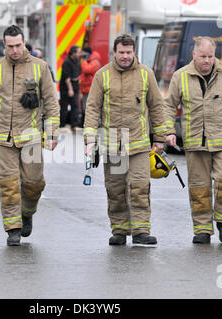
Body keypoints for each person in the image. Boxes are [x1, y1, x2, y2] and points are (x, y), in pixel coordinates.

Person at [164, 36, 222, 244]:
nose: (207, 61)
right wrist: (168, 131)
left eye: (211, 56)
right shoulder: (180, 76)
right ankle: (202, 230)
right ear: (194, 55)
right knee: (199, 188)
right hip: (195, 142)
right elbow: (169, 106)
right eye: (203, 56)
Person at [0, 25, 60, 246]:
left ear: (24, 43)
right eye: (10, 46)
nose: (14, 50)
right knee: (8, 184)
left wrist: (51, 134)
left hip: (31, 138)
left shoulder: (40, 68)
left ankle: (27, 213)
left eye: (18, 45)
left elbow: (51, 103)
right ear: (4, 45)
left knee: (33, 183)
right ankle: (13, 229)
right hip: (4, 138)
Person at [83, 34, 167, 246]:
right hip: (112, 143)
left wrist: (159, 137)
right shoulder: (102, 76)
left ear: (134, 52)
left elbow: (157, 106)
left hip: (139, 143)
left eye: (129, 52)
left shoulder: (146, 75)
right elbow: (93, 108)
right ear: (115, 52)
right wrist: (90, 139)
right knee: (116, 189)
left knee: (140, 187)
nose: (125, 56)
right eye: (121, 52)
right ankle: (119, 229)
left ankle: (141, 231)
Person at [59, 45, 82, 130]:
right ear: (73, 53)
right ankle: (62, 125)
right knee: (64, 107)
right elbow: (67, 78)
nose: (80, 54)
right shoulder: (67, 62)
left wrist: (79, 91)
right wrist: (70, 89)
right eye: (78, 52)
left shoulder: (77, 62)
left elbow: (78, 76)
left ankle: (74, 125)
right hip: (66, 88)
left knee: (75, 106)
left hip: (75, 85)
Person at [79, 46, 101, 127]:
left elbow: (87, 70)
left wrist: (84, 61)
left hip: (91, 89)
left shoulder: (94, 62)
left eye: (83, 54)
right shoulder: (90, 61)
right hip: (86, 89)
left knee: (90, 108)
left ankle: (94, 124)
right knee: (86, 108)